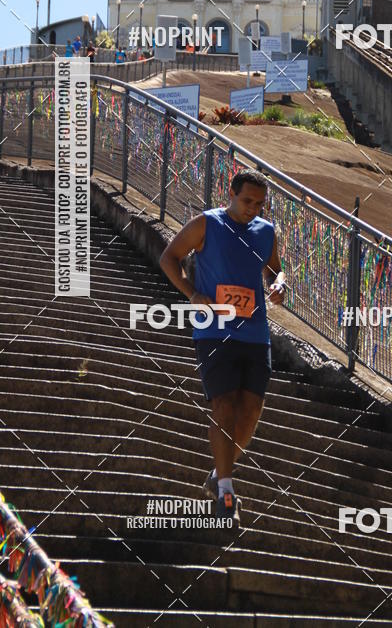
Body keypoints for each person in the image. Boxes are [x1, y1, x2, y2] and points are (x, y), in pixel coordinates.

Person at [159, 168, 286, 527]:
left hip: (256, 333)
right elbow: (169, 258)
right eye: (247, 201)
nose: (252, 209)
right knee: (224, 405)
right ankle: (227, 491)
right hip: (214, 331)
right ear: (230, 193)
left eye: (259, 204)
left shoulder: (266, 232)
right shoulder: (206, 224)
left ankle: (219, 472)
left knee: (251, 411)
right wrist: (193, 295)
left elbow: (275, 271)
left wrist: (279, 285)